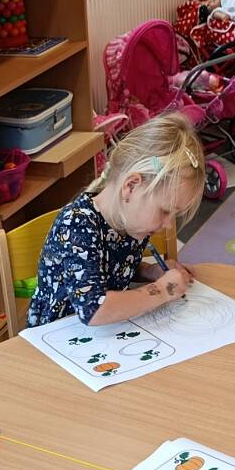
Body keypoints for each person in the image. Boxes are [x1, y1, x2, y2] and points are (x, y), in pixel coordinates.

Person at [25, 112, 204, 328]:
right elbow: (94, 309)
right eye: (165, 211)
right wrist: (163, 290)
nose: (168, 224)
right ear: (131, 186)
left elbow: (113, 265)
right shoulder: (77, 224)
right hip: (55, 338)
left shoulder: (128, 220)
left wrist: (149, 271)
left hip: (106, 334)